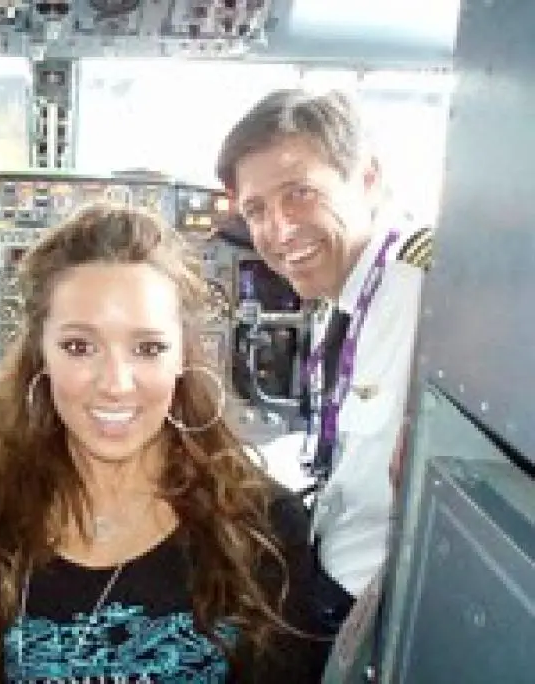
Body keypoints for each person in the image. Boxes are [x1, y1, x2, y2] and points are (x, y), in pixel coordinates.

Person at [0, 204, 328, 682]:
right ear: (41, 355)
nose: (115, 384)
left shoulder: (265, 529)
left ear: (182, 358)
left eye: (148, 348)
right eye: (79, 346)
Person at [214, 88, 431, 633]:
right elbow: (345, 450)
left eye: (300, 194)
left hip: (379, 611)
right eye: (256, 210)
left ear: (368, 179)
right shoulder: (339, 293)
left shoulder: (430, 292)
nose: (279, 232)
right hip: (329, 564)